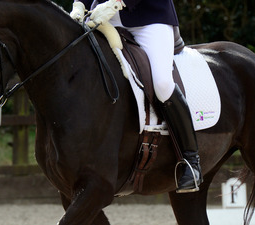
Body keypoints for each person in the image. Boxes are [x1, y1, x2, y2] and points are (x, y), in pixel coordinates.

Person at [70, 0, 202, 193]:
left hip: (148, 18)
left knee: (162, 84)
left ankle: (191, 161)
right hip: (103, 15)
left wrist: (118, 2)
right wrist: (80, 4)